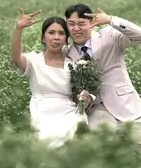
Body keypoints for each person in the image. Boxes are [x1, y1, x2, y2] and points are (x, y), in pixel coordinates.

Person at [63, 3, 141, 149]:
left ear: (91, 23)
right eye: (71, 24)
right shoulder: (66, 53)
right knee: (104, 152)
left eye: (81, 23)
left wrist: (111, 20)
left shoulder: (109, 35)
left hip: (127, 105)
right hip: (96, 110)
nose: (76, 28)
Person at [9, 8, 93, 147]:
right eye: (51, 33)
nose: (56, 37)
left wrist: (83, 98)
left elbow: (76, 95)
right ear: (43, 38)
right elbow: (16, 58)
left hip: (68, 111)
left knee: (77, 129)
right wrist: (19, 28)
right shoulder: (34, 60)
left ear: (66, 39)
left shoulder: (73, 64)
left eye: (61, 33)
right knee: (47, 140)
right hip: (42, 110)